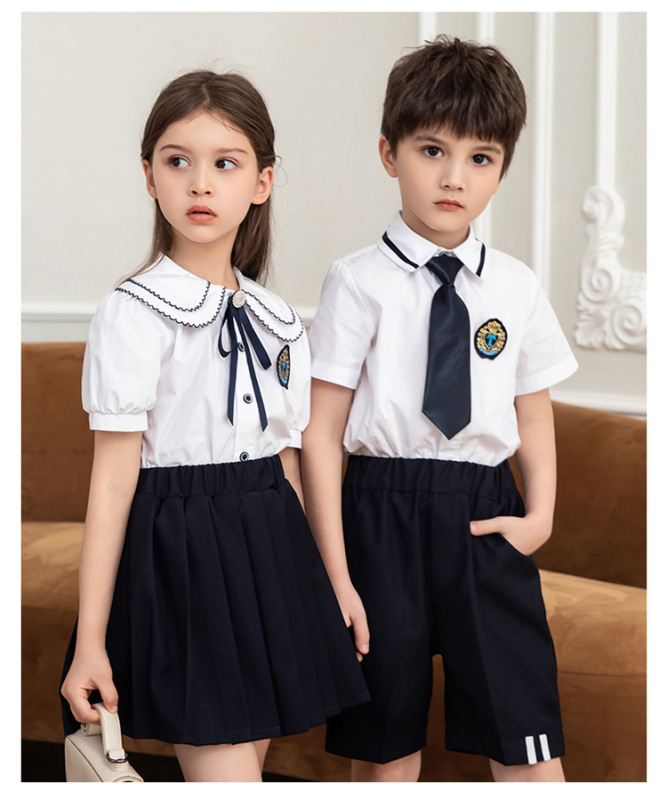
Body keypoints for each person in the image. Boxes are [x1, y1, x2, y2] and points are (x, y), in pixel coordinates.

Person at [60, 69, 369, 783]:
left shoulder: (279, 320)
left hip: (273, 553)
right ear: (149, 176)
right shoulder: (132, 313)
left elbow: (289, 467)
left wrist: (330, 583)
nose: (200, 184)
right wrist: (91, 643)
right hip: (183, 560)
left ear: (262, 182)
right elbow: (113, 482)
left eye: (225, 163)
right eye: (178, 161)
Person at [301, 36, 578, 783]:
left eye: (480, 158)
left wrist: (540, 517)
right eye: (432, 151)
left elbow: (533, 412)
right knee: (382, 747)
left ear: (502, 170)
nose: (454, 177)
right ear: (388, 154)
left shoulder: (515, 286)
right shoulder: (356, 282)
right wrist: (337, 571)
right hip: (379, 513)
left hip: (485, 512)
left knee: (525, 739)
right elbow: (320, 435)